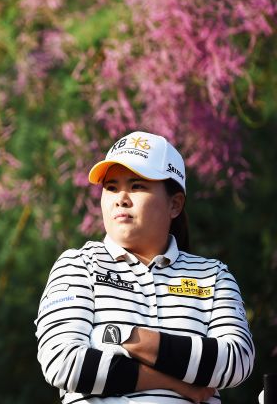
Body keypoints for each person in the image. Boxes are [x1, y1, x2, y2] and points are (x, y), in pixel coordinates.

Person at [35, 131, 255, 403]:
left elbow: (237, 361)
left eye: (137, 186)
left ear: (174, 204)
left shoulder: (213, 275)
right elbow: (62, 363)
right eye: (112, 187)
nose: (121, 198)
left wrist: (122, 337)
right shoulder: (77, 265)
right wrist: (176, 383)